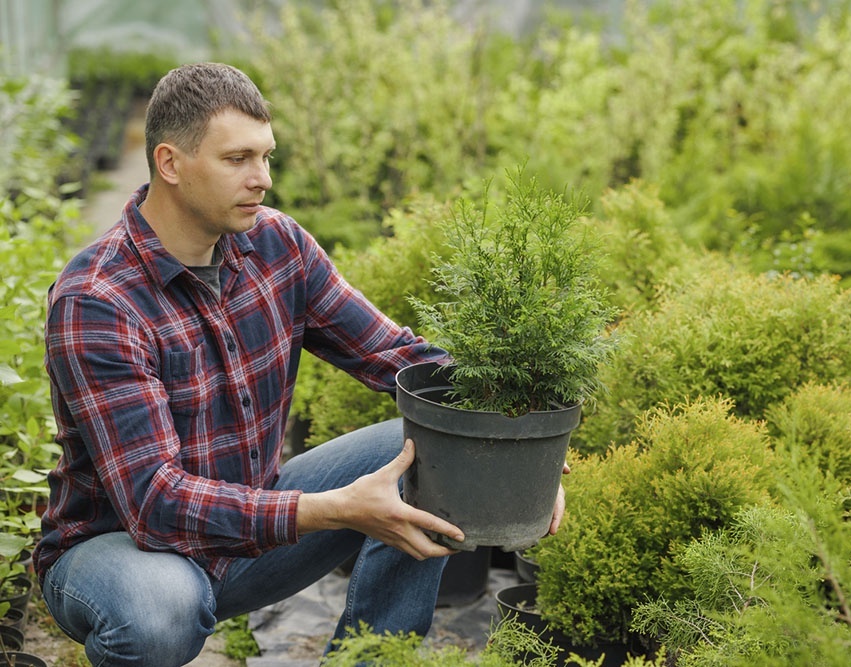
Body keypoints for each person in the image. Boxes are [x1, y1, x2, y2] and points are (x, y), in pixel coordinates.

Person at [34, 62, 566, 666]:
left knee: (433, 453)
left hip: (249, 534)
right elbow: (156, 502)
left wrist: (516, 452)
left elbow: (395, 354)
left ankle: (371, 660)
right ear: (170, 163)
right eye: (238, 159)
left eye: (267, 157)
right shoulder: (99, 300)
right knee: (160, 611)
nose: (262, 179)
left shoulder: (277, 245)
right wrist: (332, 509)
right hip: (126, 554)